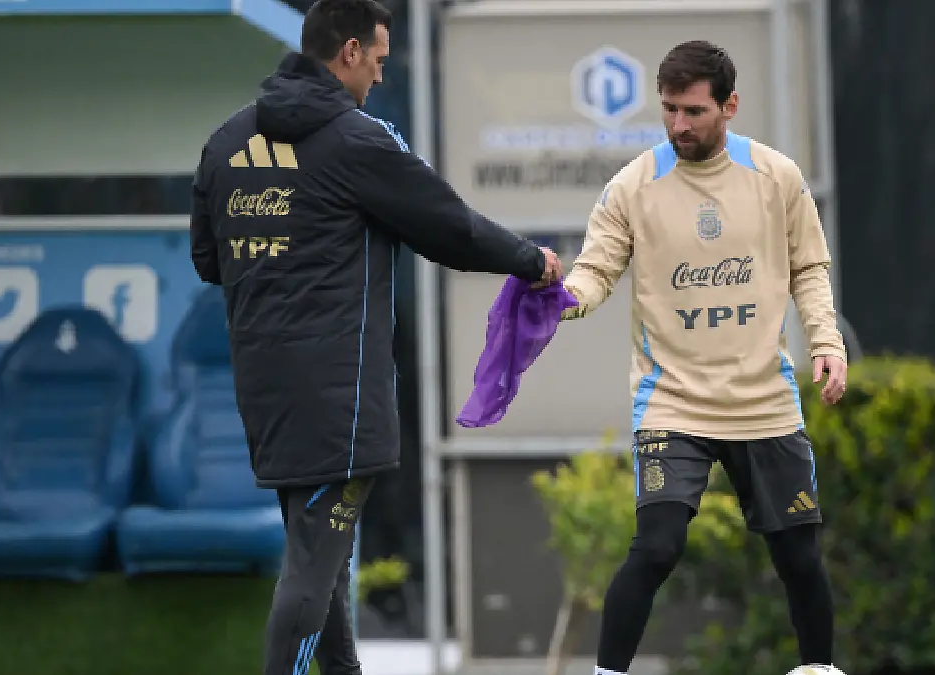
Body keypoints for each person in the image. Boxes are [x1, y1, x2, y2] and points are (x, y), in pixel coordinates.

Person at [188, 1, 561, 674]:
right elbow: (451, 227)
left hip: (265, 393)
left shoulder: (224, 144)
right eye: (380, 63)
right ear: (350, 53)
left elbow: (208, 260)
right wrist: (532, 261)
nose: (381, 79)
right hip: (341, 397)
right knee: (311, 569)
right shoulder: (357, 139)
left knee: (324, 567)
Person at [559, 40, 847, 674]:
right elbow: (595, 272)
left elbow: (810, 267)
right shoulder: (632, 186)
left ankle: (819, 670)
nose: (678, 125)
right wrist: (558, 300)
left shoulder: (778, 177)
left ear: (730, 105)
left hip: (762, 399)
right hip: (672, 402)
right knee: (657, 547)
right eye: (668, 110)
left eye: (692, 111)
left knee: (798, 555)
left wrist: (826, 342)